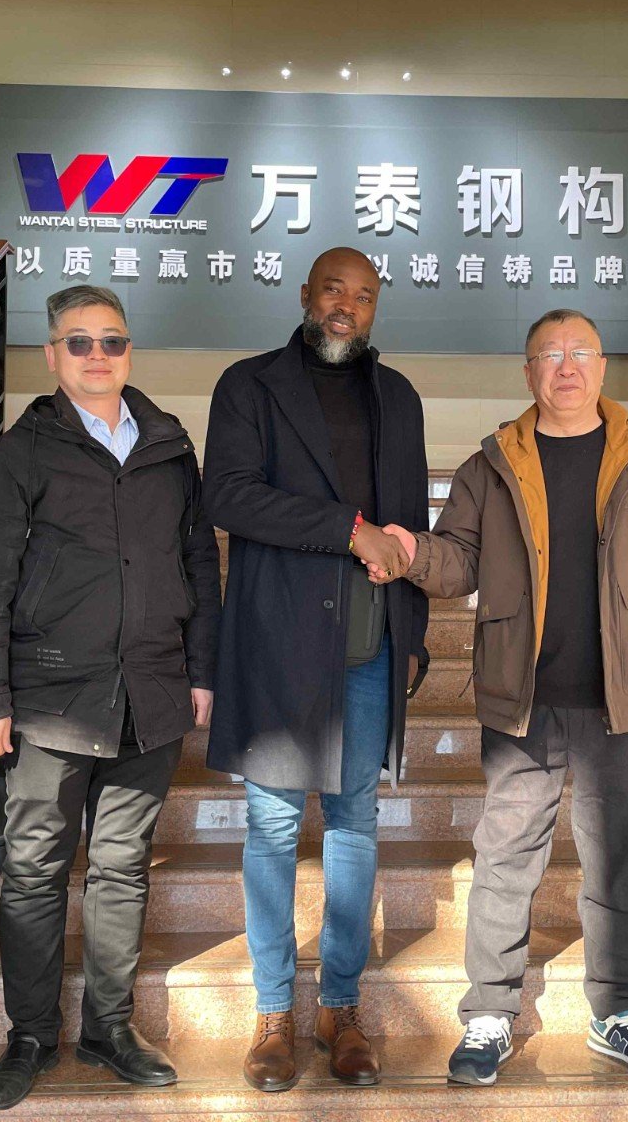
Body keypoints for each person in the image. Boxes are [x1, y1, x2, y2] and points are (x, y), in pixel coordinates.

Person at [369, 309, 628, 1087]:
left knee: (619, 861)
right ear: (528, 372)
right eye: (548, 355)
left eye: (579, 353)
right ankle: (490, 1015)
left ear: (602, 367)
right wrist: (411, 552)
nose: (565, 367)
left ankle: (619, 1009)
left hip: (624, 700)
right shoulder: (492, 464)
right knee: (504, 859)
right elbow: (459, 562)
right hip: (522, 695)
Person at [0, 285, 220, 1111]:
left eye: (112, 340)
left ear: (130, 351)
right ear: (52, 355)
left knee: (122, 866)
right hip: (48, 699)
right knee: (35, 868)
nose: (97, 355)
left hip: (151, 690)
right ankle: (31, 1036)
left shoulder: (169, 444)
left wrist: (201, 670)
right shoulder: (23, 450)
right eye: (80, 342)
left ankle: (109, 1027)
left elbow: (198, 565)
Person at [203, 247, 430, 1091]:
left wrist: (414, 636)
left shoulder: (397, 397)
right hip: (277, 640)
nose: (346, 306)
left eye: (363, 296)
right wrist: (345, 528)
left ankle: (340, 1006)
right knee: (270, 827)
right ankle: (273, 1012)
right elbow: (228, 495)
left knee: (355, 821)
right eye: (334, 289)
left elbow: (409, 523)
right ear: (305, 294)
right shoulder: (248, 386)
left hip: (369, 645)